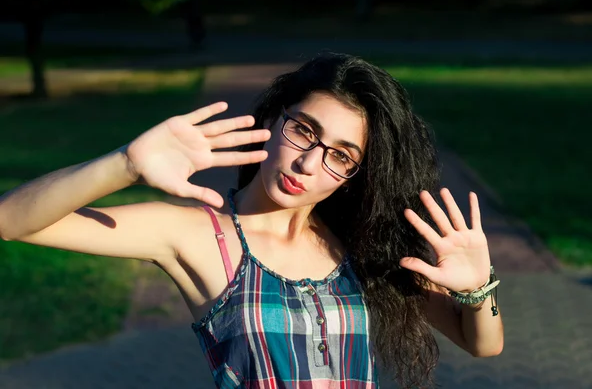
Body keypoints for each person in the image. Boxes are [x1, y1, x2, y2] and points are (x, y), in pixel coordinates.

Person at [0, 53, 503, 388]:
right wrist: (124, 165)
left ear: (353, 176)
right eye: (304, 131)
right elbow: (9, 220)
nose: (309, 164)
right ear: (272, 120)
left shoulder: (363, 248)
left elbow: (484, 344)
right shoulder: (198, 236)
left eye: (341, 156)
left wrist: (478, 289)